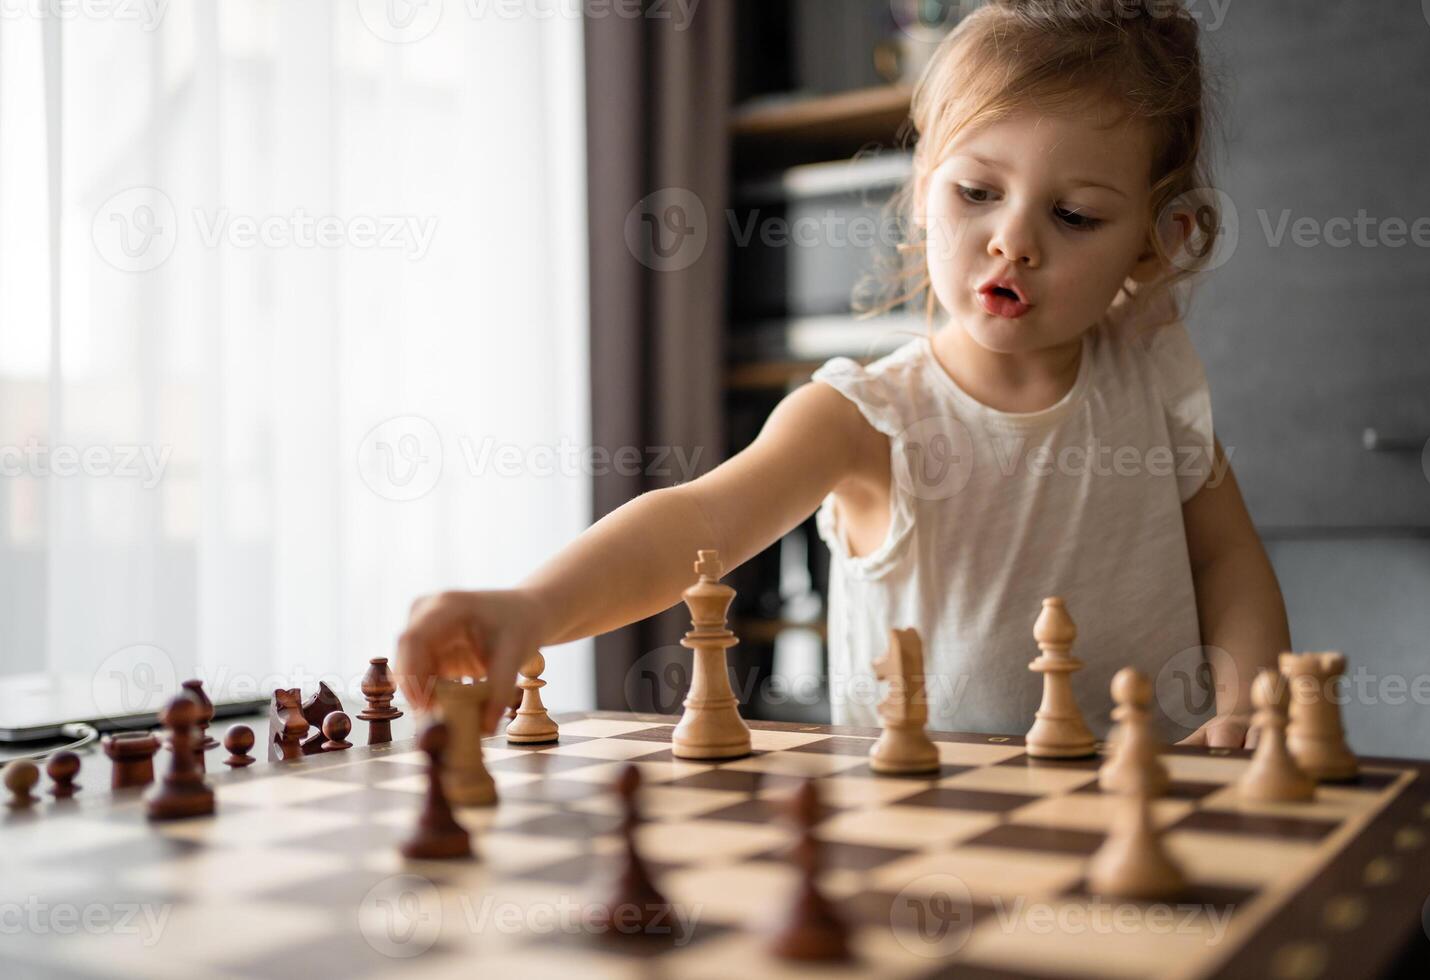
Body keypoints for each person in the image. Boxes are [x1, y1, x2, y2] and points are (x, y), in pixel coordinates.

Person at [395, 0, 1288, 748]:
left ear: (1155, 240)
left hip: (1149, 804)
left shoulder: (1153, 378)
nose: (1014, 238)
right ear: (921, 189)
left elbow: (1225, 556)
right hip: (922, 829)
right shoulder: (866, 415)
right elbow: (696, 523)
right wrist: (530, 607)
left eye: (1075, 214)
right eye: (976, 193)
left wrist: (1246, 703)